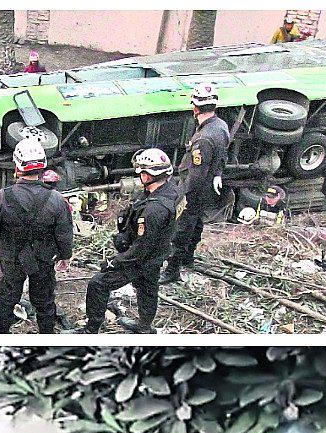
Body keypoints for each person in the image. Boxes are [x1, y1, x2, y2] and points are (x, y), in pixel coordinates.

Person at [0, 138, 74, 333]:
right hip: (43, 258)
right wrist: (65, 256)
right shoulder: (56, 199)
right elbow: (64, 232)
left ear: (17, 166)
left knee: (6, 300)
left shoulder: (2, 197)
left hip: (11, 258)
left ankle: (0, 338)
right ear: (43, 167)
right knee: (45, 303)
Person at [82, 149, 180, 334]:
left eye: (142, 172)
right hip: (155, 256)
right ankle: (144, 327)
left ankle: (91, 330)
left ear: (149, 175)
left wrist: (113, 262)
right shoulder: (168, 192)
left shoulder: (154, 209)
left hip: (140, 260)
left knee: (98, 283)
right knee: (148, 289)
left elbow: (140, 249)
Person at [161, 83, 229, 284]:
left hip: (194, 190)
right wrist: (218, 174)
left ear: (195, 108)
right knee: (196, 223)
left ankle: (172, 270)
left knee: (181, 228)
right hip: (207, 188)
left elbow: (196, 175)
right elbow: (222, 155)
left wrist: (181, 195)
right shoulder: (221, 127)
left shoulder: (203, 138)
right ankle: (188, 259)